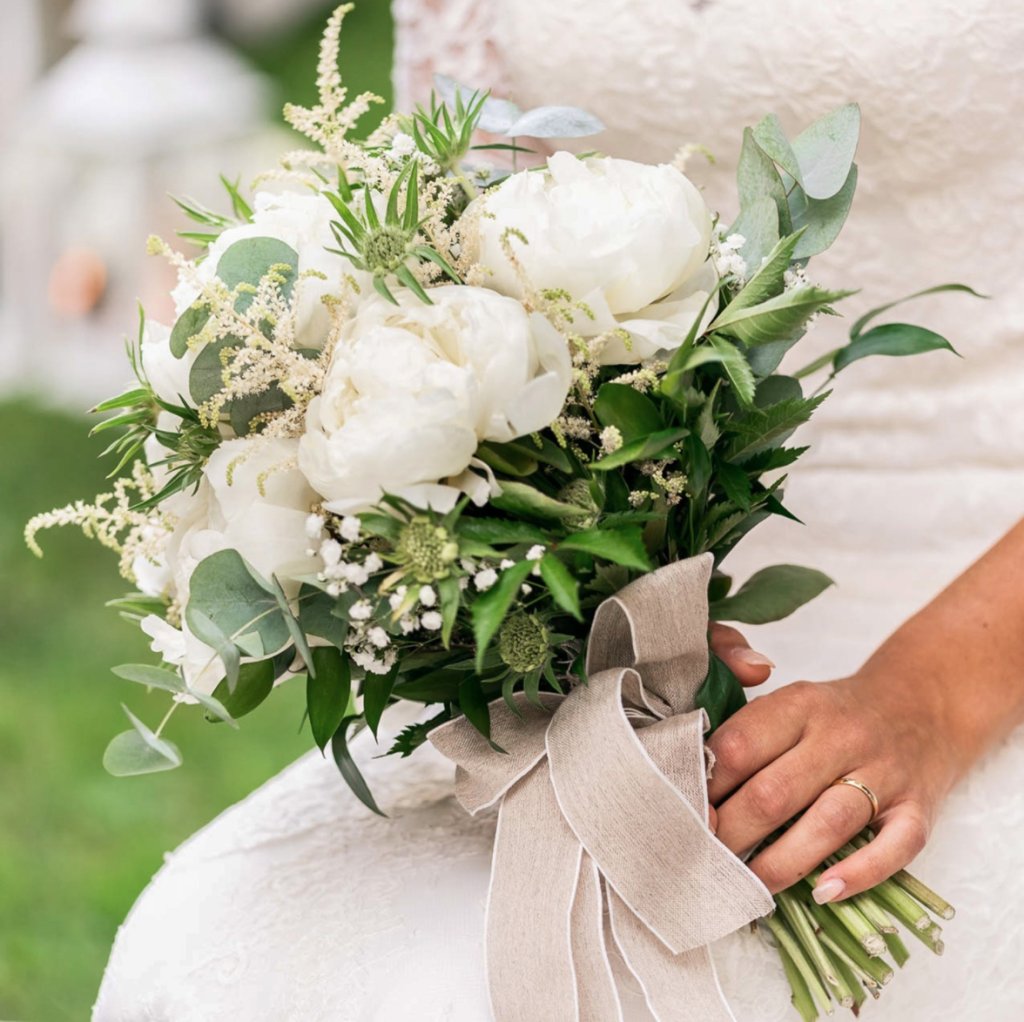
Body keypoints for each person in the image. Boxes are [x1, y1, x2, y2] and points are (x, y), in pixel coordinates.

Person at [93, 2, 1024, 1018]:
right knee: (229, 957)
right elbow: (446, 246)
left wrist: (924, 703)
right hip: (621, 577)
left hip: (977, 597)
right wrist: (556, 575)